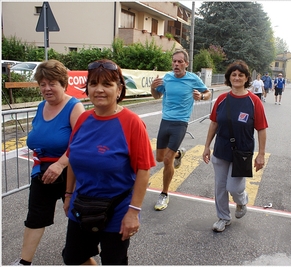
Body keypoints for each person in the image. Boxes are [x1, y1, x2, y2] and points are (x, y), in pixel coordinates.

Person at [62, 59, 156, 265]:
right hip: (82, 205)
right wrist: (68, 195)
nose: (99, 90)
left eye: (107, 84)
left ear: (119, 88)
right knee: (73, 258)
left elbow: (143, 170)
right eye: (94, 84)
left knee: (113, 261)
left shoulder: (132, 123)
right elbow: (72, 159)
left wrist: (134, 212)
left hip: (117, 210)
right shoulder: (83, 120)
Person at [12, 60, 85, 266]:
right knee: (35, 217)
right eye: (42, 84)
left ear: (64, 84)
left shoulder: (74, 107)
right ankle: (24, 262)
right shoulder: (41, 106)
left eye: (52, 83)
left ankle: (81, 256)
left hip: (70, 175)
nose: (46, 88)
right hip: (42, 172)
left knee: (77, 219)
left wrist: (60, 164)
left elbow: (79, 144)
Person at [202, 60, 268, 232]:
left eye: (240, 75)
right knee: (220, 187)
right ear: (229, 77)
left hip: (242, 152)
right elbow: (214, 123)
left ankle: (242, 201)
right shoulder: (222, 99)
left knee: (234, 187)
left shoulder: (254, 102)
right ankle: (223, 217)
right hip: (221, 149)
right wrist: (206, 146)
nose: (237, 78)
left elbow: (261, 129)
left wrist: (261, 154)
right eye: (233, 75)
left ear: (246, 78)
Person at [150, 49, 210, 211]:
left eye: (180, 62)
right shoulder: (167, 78)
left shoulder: (193, 79)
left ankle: (164, 194)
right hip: (165, 121)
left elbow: (208, 93)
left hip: (180, 123)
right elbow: (156, 96)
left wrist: (201, 97)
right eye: (174, 61)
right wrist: (153, 88)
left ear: (186, 64)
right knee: (160, 158)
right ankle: (179, 154)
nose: (176, 64)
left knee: (167, 161)